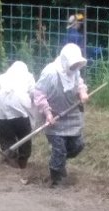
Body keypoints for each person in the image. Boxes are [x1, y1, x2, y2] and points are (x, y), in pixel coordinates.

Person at [33, 43, 90, 187]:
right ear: (65, 61)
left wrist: (82, 92)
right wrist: (47, 113)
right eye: (73, 64)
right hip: (53, 116)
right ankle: (56, 179)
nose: (76, 67)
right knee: (59, 149)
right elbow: (38, 94)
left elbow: (79, 83)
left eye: (77, 64)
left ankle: (59, 161)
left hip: (71, 114)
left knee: (77, 146)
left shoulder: (75, 71)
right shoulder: (50, 73)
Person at [0, 61, 38, 169]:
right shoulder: (28, 77)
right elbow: (35, 96)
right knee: (25, 137)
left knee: (6, 138)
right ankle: (22, 163)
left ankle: (11, 159)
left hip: (3, 109)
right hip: (22, 110)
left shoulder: (2, 78)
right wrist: (33, 121)